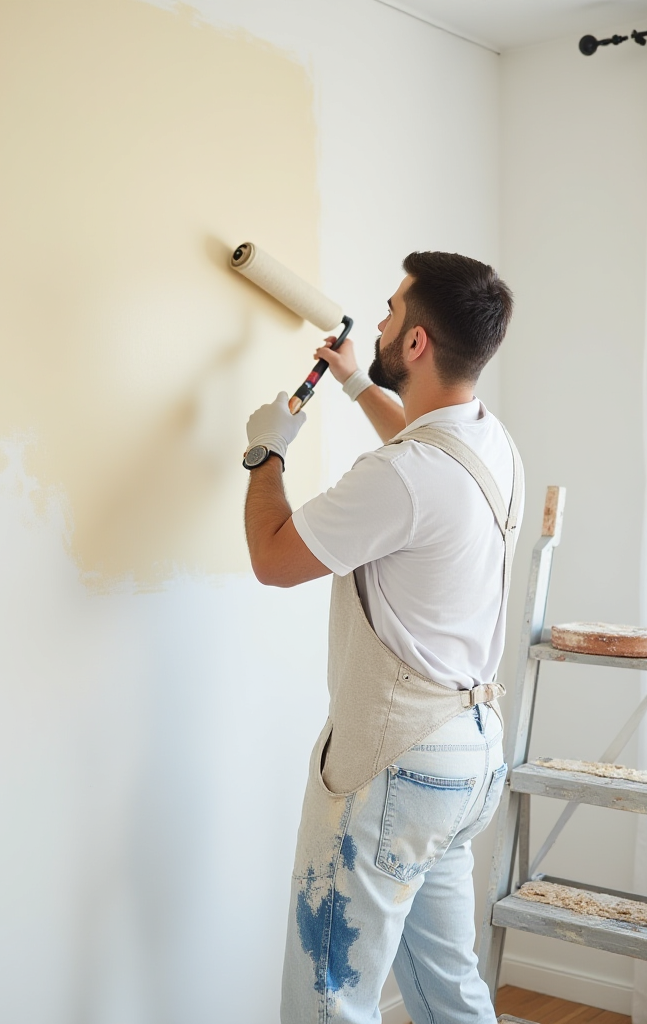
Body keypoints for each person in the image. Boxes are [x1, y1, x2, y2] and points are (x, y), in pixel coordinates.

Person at [242, 251, 523, 1024]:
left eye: (392, 311)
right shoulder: (488, 442)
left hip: (396, 765)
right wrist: (359, 384)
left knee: (331, 1000)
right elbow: (426, 456)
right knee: (445, 987)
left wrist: (264, 455)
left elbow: (273, 557)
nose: (379, 320)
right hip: (468, 759)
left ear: (418, 343)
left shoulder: (398, 477)